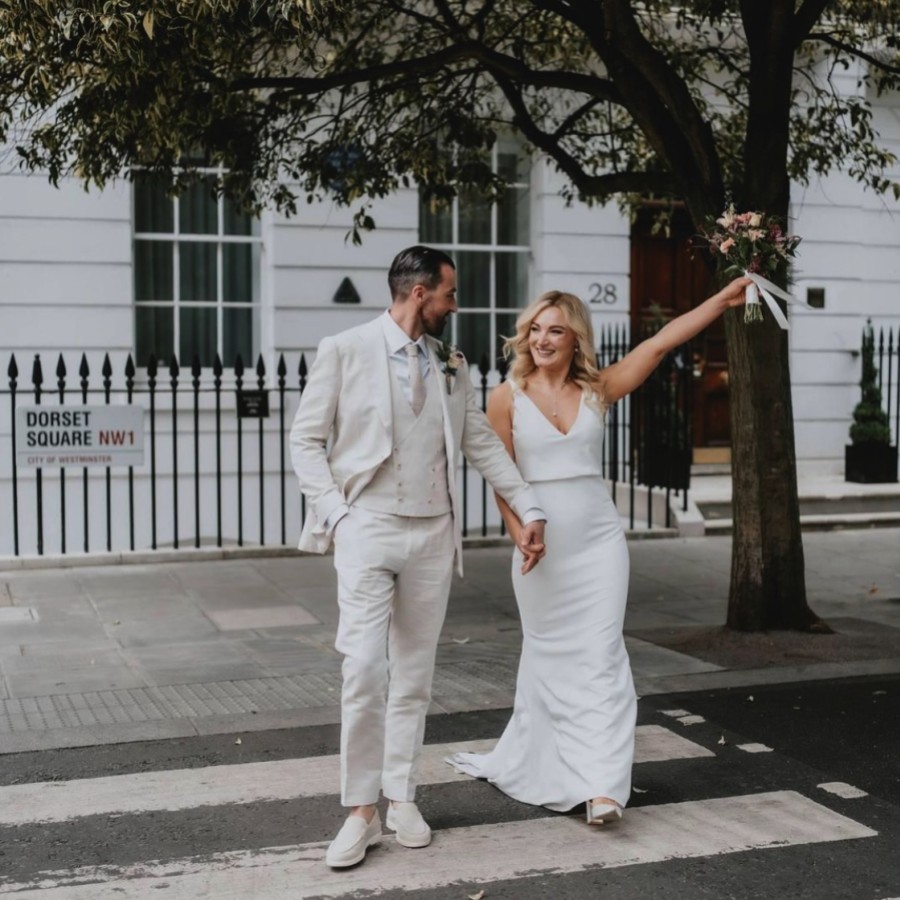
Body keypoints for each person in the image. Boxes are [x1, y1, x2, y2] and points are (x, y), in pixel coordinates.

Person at [448, 276, 750, 824]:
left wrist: (721, 301)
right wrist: (518, 530)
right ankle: (548, 763)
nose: (541, 339)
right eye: (535, 329)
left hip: (598, 541)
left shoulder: (598, 389)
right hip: (541, 546)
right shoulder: (504, 397)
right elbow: (501, 477)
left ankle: (603, 786)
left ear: (574, 339)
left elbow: (659, 344)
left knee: (604, 657)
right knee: (550, 658)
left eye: (554, 330)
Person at [290, 245, 548, 868]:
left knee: (414, 675)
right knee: (362, 670)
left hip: (433, 534)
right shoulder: (346, 349)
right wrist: (340, 517)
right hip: (367, 529)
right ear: (418, 294)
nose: (454, 305)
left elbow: (480, 443)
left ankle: (402, 795)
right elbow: (305, 441)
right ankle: (360, 811)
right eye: (450, 295)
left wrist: (529, 506)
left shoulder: (452, 364)